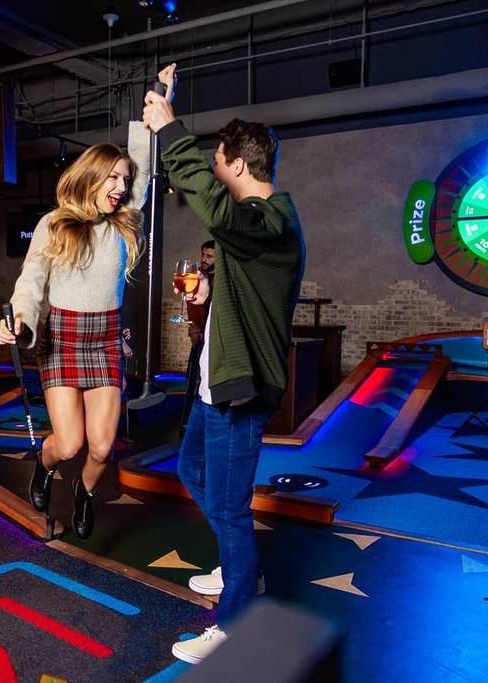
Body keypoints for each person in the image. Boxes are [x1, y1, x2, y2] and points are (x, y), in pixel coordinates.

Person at [144, 68, 306, 664]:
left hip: (241, 392)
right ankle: (241, 567)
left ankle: (237, 614)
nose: (212, 170)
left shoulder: (270, 223)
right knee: (192, 470)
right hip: (217, 386)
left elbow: (214, 206)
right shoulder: (252, 232)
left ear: (237, 164)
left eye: (217, 160)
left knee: (232, 508)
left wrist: (169, 130)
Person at [0, 73, 174, 539]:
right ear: (92, 176)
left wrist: (158, 102)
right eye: (112, 178)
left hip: (104, 339)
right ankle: (45, 464)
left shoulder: (122, 224)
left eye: (125, 180)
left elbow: (140, 156)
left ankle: (84, 493)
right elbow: (31, 281)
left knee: (99, 449)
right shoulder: (54, 225)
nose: (120, 187)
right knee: (70, 442)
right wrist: (20, 320)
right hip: (60, 338)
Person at [180, 240, 214, 432]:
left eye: (209, 256)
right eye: (203, 255)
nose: (204, 259)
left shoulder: (223, 279)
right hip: (201, 336)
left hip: (215, 337)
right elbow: (193, 304)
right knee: (194, 378)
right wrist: (192, 325)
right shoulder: (199, 276)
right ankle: (188, 423)